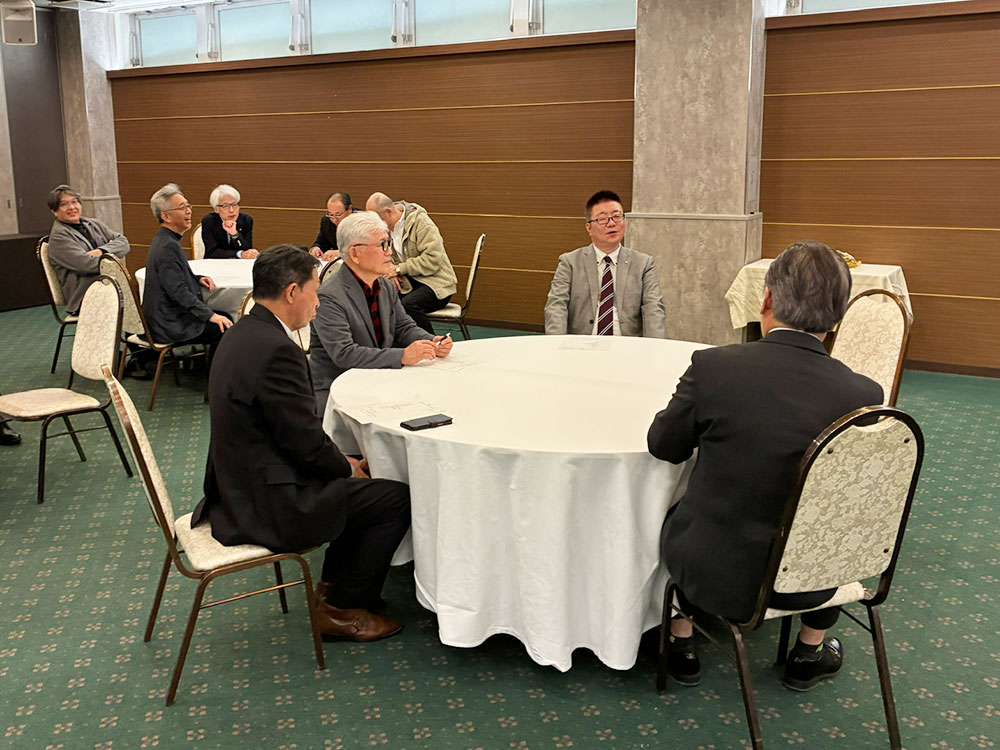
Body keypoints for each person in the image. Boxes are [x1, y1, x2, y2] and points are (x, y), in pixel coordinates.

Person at [647, 240, 883, 692]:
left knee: (675, 510)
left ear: (767, 299)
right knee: (831, 518)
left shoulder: (715, 367)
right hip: (813, 576)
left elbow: (663, 446)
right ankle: (808, 653)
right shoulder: (864, 395)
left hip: (715, 573)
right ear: (838, 315)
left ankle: (682, 643)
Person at [192, 244, 410, 641]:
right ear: (292, 292)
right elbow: (305, 444)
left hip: (237, 484)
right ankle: (342, 610)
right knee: (392, 498)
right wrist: (346, 467)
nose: (318, 303)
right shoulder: (278, 350)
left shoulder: (241, 332)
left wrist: (342, 464)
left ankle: (332, 587)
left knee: (354, 480)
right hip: (268, 502)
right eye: (315, 292)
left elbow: (289, 432)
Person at [310, 212, 452, 413]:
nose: (389, 252)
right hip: (338, 388)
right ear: (355, 253)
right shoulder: (329, 296)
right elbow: (344, 354)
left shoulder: (384, 286)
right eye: (383, 245)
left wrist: (430, 342)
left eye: (389, 243)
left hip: (377, 378)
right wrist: (403, 356)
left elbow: (403, 327)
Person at [544, 190, 665, 337]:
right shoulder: (569, 262)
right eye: (602, 219)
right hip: (582, 342)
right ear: (589, 228)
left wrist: (654, 345)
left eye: (617, 216)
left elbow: (653, 308)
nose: (612, 223)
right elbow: (556, 305)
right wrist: (557, 343)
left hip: (627, 344)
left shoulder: (643, 263)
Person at [143, 184, 233, 347]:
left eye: (188, 206)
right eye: (182, 207)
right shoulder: (168, 246)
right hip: (169, 323)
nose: (189, 211)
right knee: (223, 324)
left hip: (164, 317)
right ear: (166, 216)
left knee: (223, 318)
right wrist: (210, 315)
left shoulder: (164, 239)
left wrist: (196, 278)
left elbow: (172, 276)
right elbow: (178, 291)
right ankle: (214, 365)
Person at [365, 192, 457, 333]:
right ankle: (395, 343)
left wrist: (398, 269)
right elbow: (384, 256)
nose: (371, 223)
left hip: (436, 284)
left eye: (374, 218)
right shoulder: (384, 229)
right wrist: (391, 270)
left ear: (388, 212)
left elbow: (433, 259)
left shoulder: (421, 222)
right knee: (379, 300)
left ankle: (430, 342)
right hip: (408, 282)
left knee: (408, 306)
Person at [45, 184, 131, 314]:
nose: (71, 207)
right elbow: (86, 265)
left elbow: (124, 243)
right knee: (133, 303)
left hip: (106, 286)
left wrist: (100, 251)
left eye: (74, 202)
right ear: (54, 211)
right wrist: (114, 259)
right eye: (64, 204)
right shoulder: (59, 237)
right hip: (84, 294)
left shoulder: (94, 224)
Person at [200, 184, 258, 259]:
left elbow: (247, 249)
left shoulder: (246, 220)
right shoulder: (209, 221)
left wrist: (235, 234)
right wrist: (239, 254)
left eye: (234, 204)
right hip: (216, 264)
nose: (231, 210)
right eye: (225, 206)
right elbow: (211, 252)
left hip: (239, 264)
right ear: (216, 209)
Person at [309, 191, 356, 262]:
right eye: (331, 214)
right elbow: (321, 242)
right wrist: (316, 249)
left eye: (338, 215)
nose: (334, 220)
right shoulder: (327, 221)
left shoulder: (362, 222)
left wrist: (341, 253)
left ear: (349, 209)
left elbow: (364, 249)